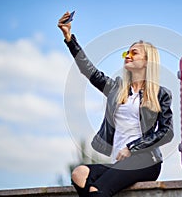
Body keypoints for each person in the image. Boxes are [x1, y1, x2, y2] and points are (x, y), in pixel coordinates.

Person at [58, 11, 174, 197]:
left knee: (97, 189)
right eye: (126, 52)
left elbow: (166, 132)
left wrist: (131, 148)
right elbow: (89, 71)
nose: (128, 56)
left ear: (147, 61)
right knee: (79, 174)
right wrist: (69, 38)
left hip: (146, 161)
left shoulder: (161, 94)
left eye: (134, 53)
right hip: (120, 164)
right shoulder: (116, 89)